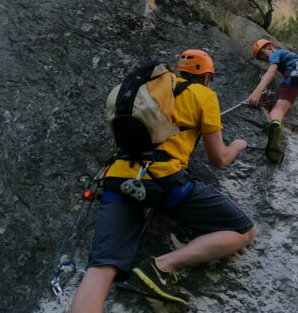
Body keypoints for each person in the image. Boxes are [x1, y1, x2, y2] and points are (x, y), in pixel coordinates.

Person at [70, 50, 257, 312]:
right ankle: (162, 266)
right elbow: (219, 159)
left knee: (101, 267)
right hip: (163, 180)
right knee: (244, 230)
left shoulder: (149, 93)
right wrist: (238, 145)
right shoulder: (204, 95)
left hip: (118, 177)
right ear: (206, 77)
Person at [248, 39, 298, 162]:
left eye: (263, 53)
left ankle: (275, 124)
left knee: (278, 109)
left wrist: (257, 92)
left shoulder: (276, 54)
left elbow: (271, 72)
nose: (263, 58)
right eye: (260, 57)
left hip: (295, 73)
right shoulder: (295, 56)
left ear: (270, 47)